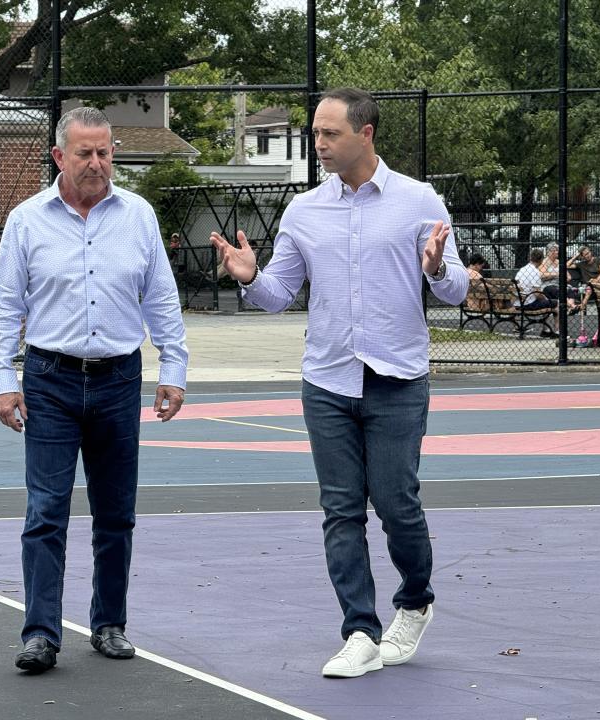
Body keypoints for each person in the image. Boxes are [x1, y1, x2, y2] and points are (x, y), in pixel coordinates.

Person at [211, 87, 468, 679]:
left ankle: (416, 598)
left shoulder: (417, 200)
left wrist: (435, 267)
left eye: (330, 134)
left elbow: (455, 287)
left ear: (366, 133)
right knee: (341, 510)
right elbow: (278, 294)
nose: (319, 144)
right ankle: (359, 630)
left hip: (398, 379)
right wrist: (250, 278)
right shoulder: (304, 211)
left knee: (396, 503)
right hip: (326, 380)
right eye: (316, 134)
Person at [0, 106, 188, 675]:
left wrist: (174, 368)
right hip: (50, 381)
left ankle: (109, 624)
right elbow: (4, 309)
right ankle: (41, 634)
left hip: (120, 379)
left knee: (115, 513)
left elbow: (161, 300)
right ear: (59, 157)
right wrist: (3, 379)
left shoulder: (139, 217)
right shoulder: (27, 221)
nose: (97, 163)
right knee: (45, 511)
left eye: (104, 152)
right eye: (84, 153)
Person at [514, 248, 559, 337]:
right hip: (528, 303)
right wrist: (546, 299)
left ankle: (545, 330)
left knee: (547, 302)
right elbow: (537, 294)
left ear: (530, 258)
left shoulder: (522, 269)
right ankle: (558, 332)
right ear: (541, 260)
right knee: (557, 303)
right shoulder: (535, 272)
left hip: (518, 302)